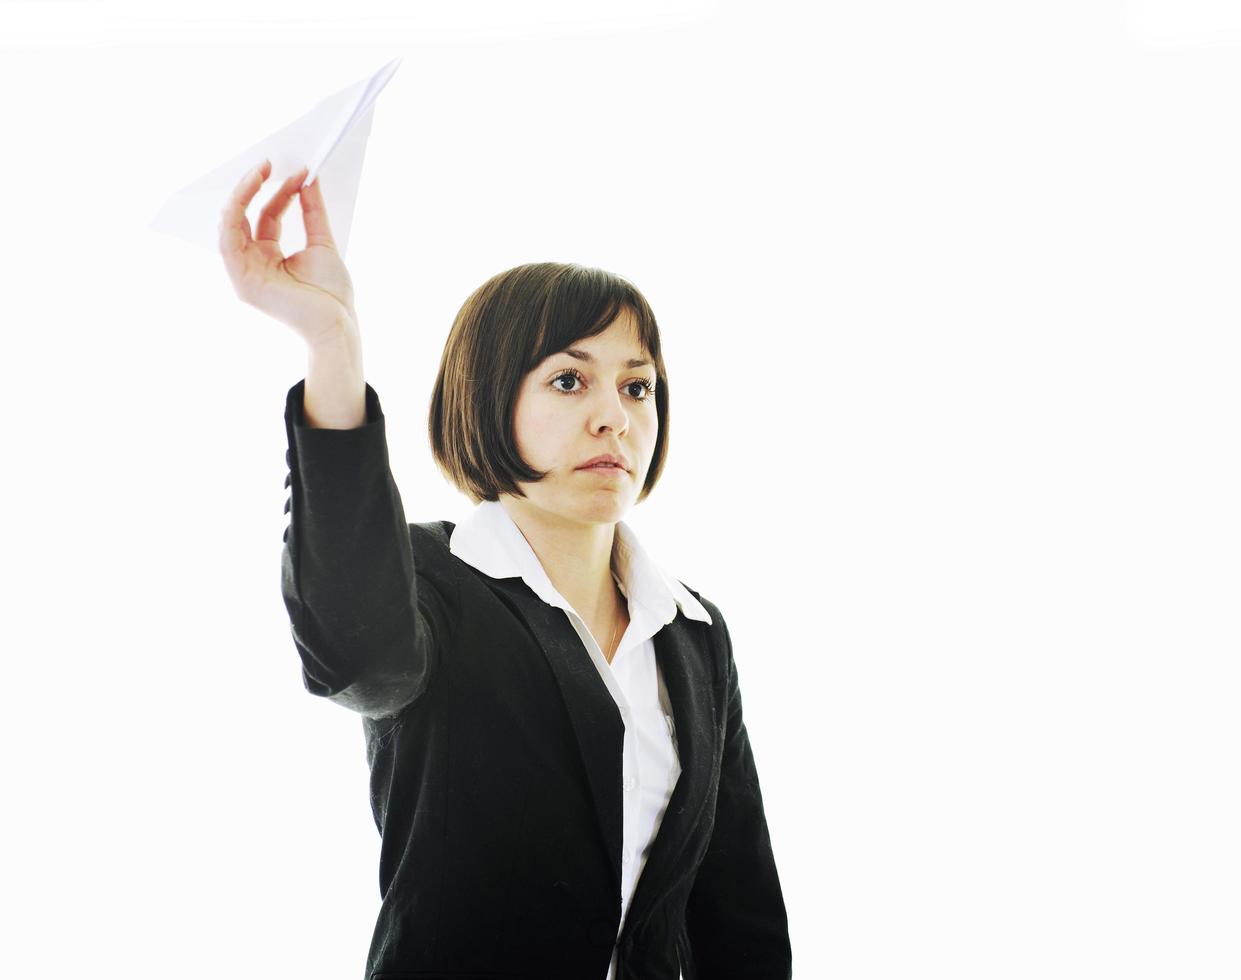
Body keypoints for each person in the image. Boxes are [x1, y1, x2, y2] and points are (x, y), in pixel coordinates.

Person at [218, 159, 792, 980]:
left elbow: (738, 909)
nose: (614, 417)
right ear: (490, 397)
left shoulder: (693, 629)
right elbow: (354, 658)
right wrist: (333, 344)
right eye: (569, 380)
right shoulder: (430, 581)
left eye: (638, 388)